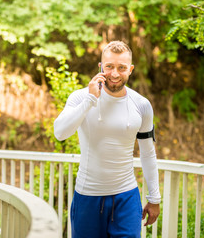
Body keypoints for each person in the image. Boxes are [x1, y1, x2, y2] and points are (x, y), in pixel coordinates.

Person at [54, 40, 161, 238]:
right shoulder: (80, 98)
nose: (114, 73)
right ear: (100, 67)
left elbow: (147, 153)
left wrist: (154, 197)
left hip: (126, 196)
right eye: (109, 66)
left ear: (130, 69)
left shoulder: (142, 105)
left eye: (121, 68)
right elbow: (60, 133)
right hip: (87, 195)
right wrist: (90, 99)